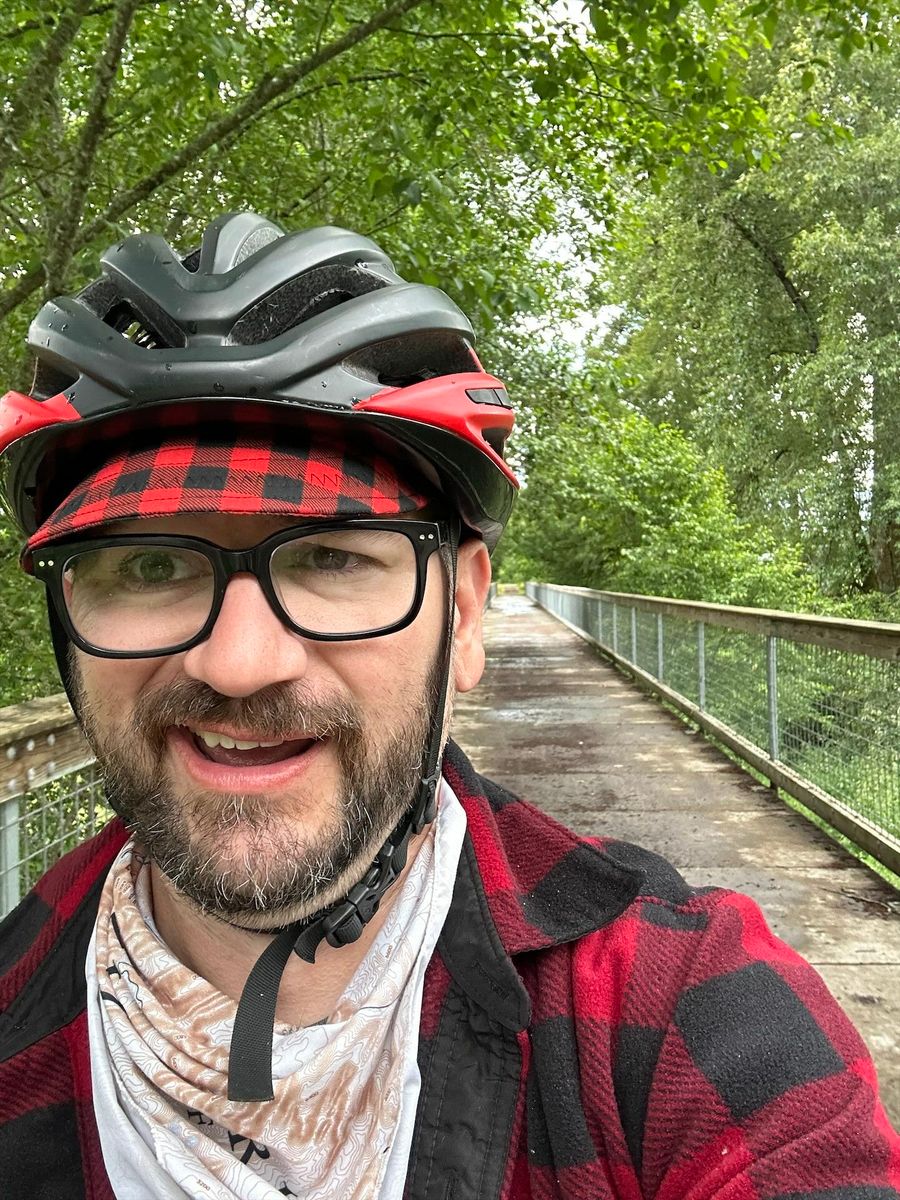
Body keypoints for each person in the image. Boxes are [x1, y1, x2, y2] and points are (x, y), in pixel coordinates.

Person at [0, 213, 896, 1200]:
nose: (241, 664)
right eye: (148, 566)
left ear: (463, 615)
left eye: (331, 557)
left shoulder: (677, 1016)